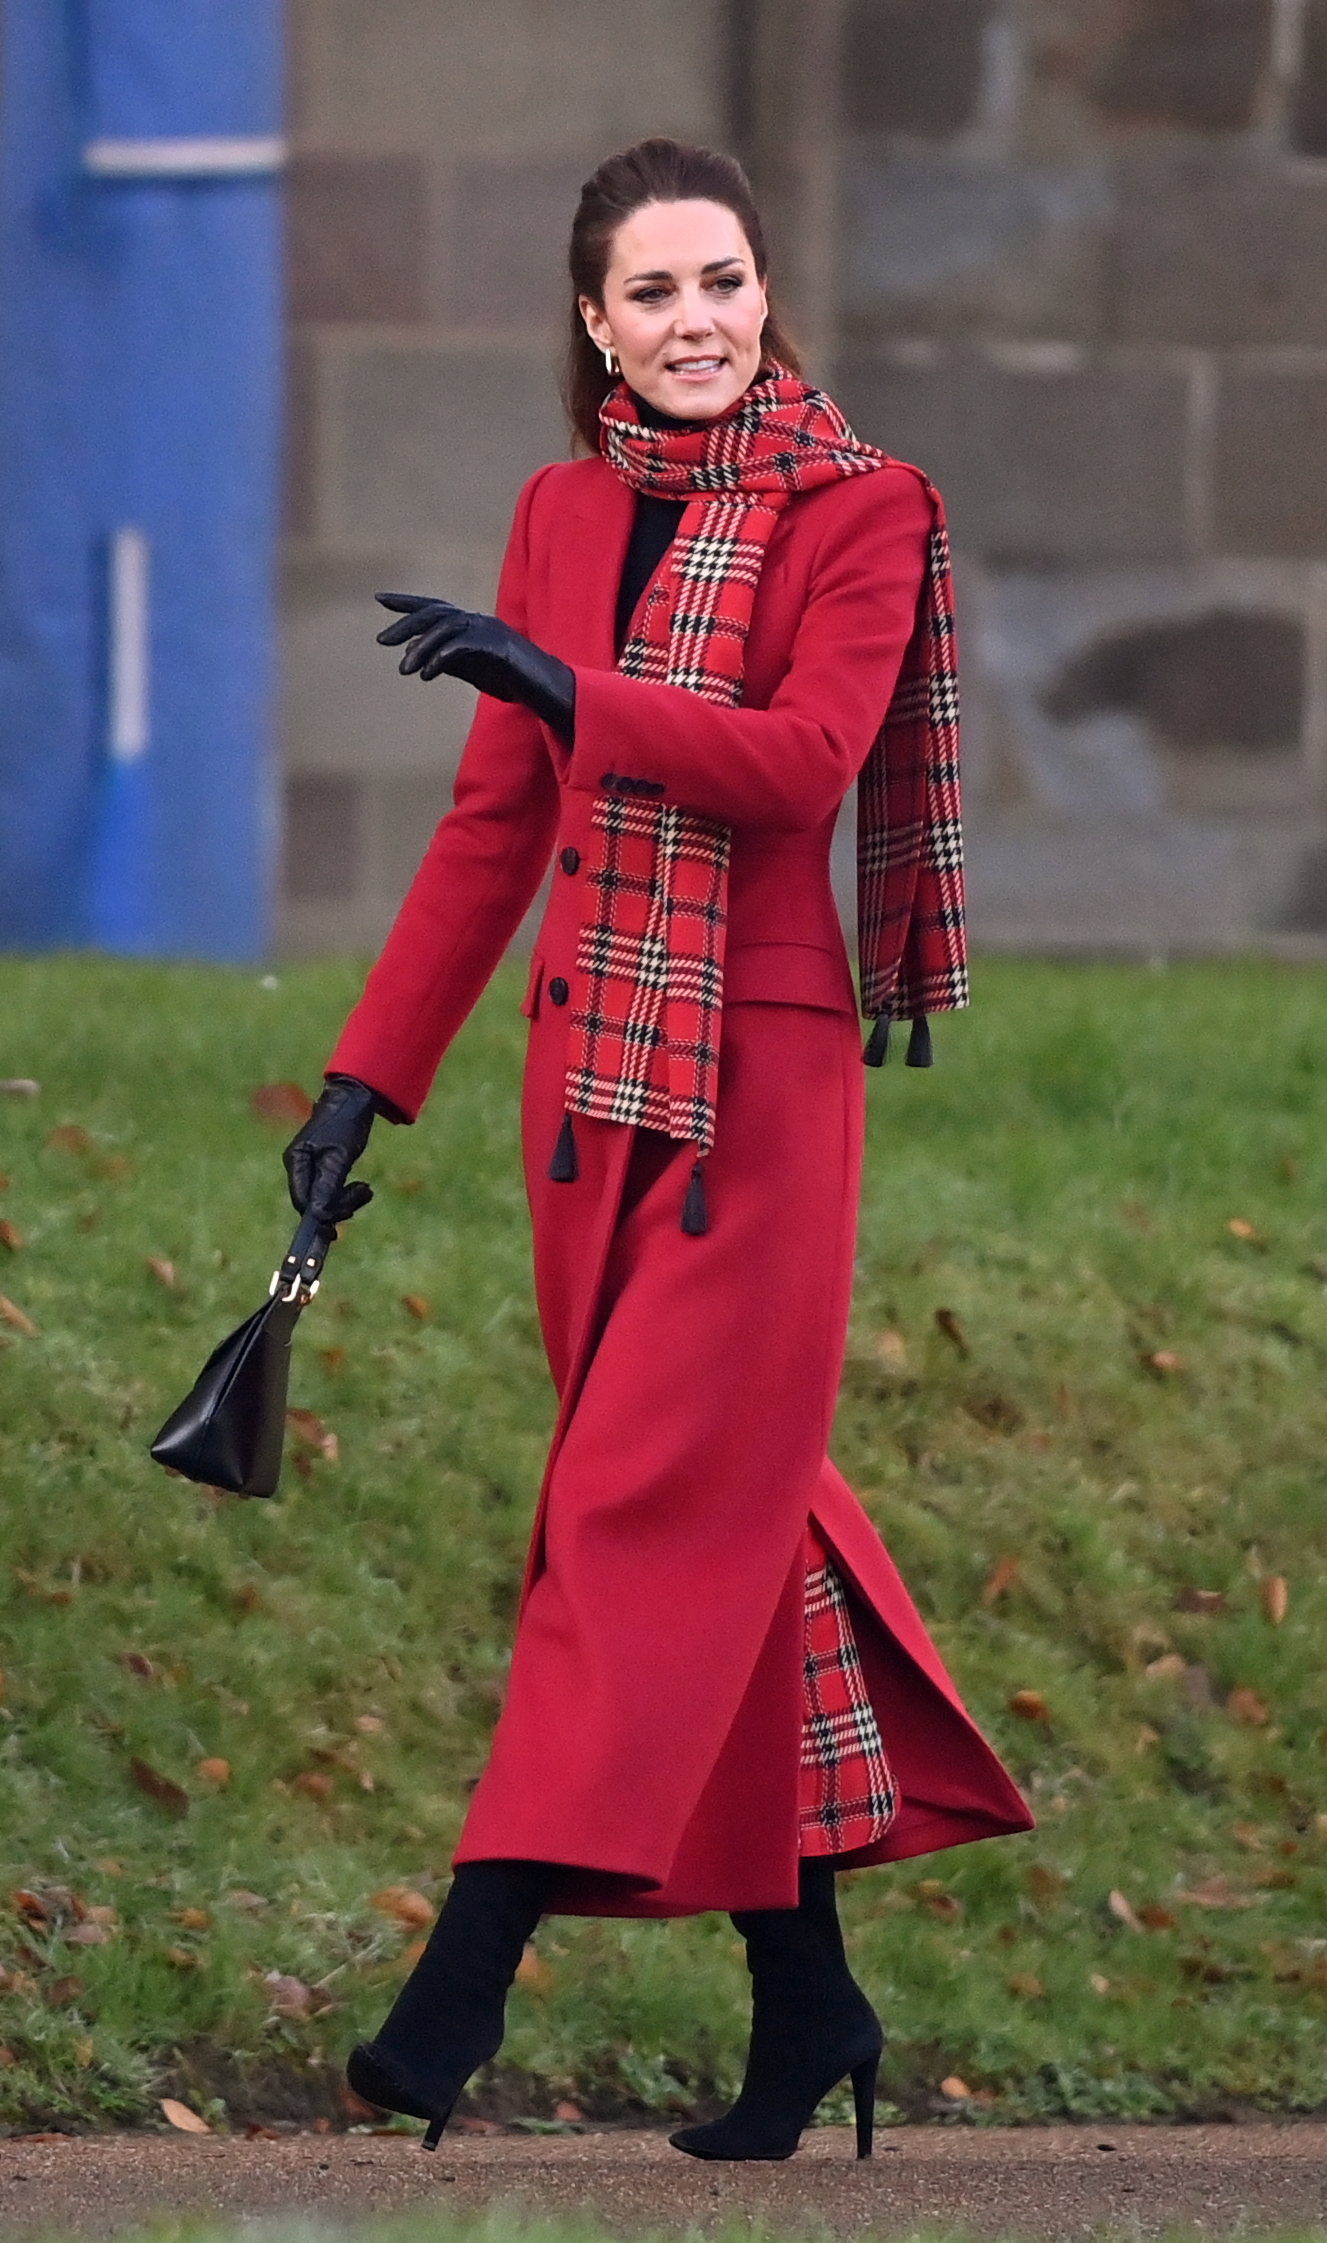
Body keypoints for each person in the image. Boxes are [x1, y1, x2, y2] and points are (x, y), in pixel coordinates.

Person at [283, 136, 1032, 2162]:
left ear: (762, 296)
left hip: (760, 1105)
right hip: (583, 1108)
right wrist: (368, 1083)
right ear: (595, 321)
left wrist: (569, 685)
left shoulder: (863, 510)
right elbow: (491, 832)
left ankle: (456, 1988)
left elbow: (799, 768)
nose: (697, 322)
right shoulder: (560, 514)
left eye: (725, 284)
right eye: (655, 294)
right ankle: (811, 2010)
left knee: (625, 1525)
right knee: (723, 1523)